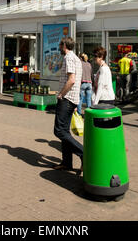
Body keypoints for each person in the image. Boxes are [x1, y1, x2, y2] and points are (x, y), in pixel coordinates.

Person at [53, 37, 83, 173]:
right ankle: (66, 162)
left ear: (64, 45)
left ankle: (84, 153)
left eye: (60, 45)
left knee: (59, 131)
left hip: (66, 99)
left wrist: (61, 95)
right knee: (64, 131)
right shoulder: (76, 58)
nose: (59, 47)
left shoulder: (69, 57)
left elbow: (71, 80)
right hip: (72, 99)